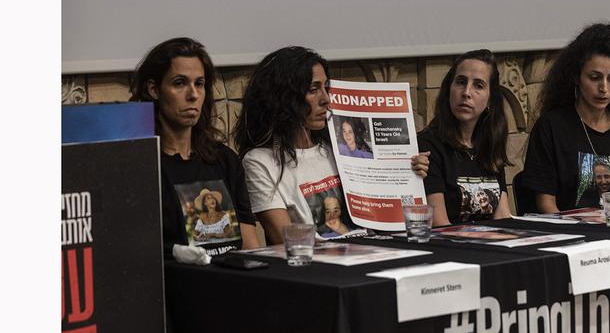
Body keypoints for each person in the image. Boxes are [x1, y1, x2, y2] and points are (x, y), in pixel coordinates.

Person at [234, 46, 429, 243]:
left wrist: (407, 173)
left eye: (326, 88)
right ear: (283, 98)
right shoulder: (260, 161)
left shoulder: (334, 147)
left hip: (378, 249)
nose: (326, 99)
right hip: (321, 265)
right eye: (313, 90)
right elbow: (286, 240)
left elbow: (388, 216)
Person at [129, 37, 260, 255]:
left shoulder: (225, 160)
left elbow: (251, 248)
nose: (193, 95)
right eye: (179, 83)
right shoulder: (141, 166)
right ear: (154, 89)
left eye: (199, 84)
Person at [523, 23, 610, 213]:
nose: (604, 88)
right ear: (576, 76)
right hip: (572, 235)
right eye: (594, 77)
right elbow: (545, 204)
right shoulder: (552, 127)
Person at [418, 49, 512, 226]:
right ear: (449, 90)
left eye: (478, 85)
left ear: (490, 99)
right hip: (451, 248)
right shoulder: (428, 144)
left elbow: (503, 218)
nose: (466, 92)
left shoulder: (489, 143)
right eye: (461, 82)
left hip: (492, 247)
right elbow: (440, 225)